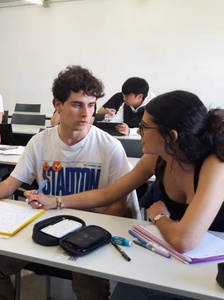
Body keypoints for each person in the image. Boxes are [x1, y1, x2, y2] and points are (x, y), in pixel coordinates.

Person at [29, 90, 224, 299]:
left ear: (171, 136)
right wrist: (56, 201)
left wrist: (159, 217)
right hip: (174, 259)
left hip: (211, 275)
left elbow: (185, 240)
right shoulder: (157, 158)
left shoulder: (214, 165)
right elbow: (109, 193)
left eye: (144, 127)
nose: (138, 132)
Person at [0, 65, 136, 300]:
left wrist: (91, 236)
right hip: (45, 227)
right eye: (77, 104)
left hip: (87, 233)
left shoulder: (109, 147)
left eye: (91, 105)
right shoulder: (40, 142)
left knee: (92, 290)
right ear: (58, 104)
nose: (86, 114)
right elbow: (11, 183)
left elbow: (119, 206)